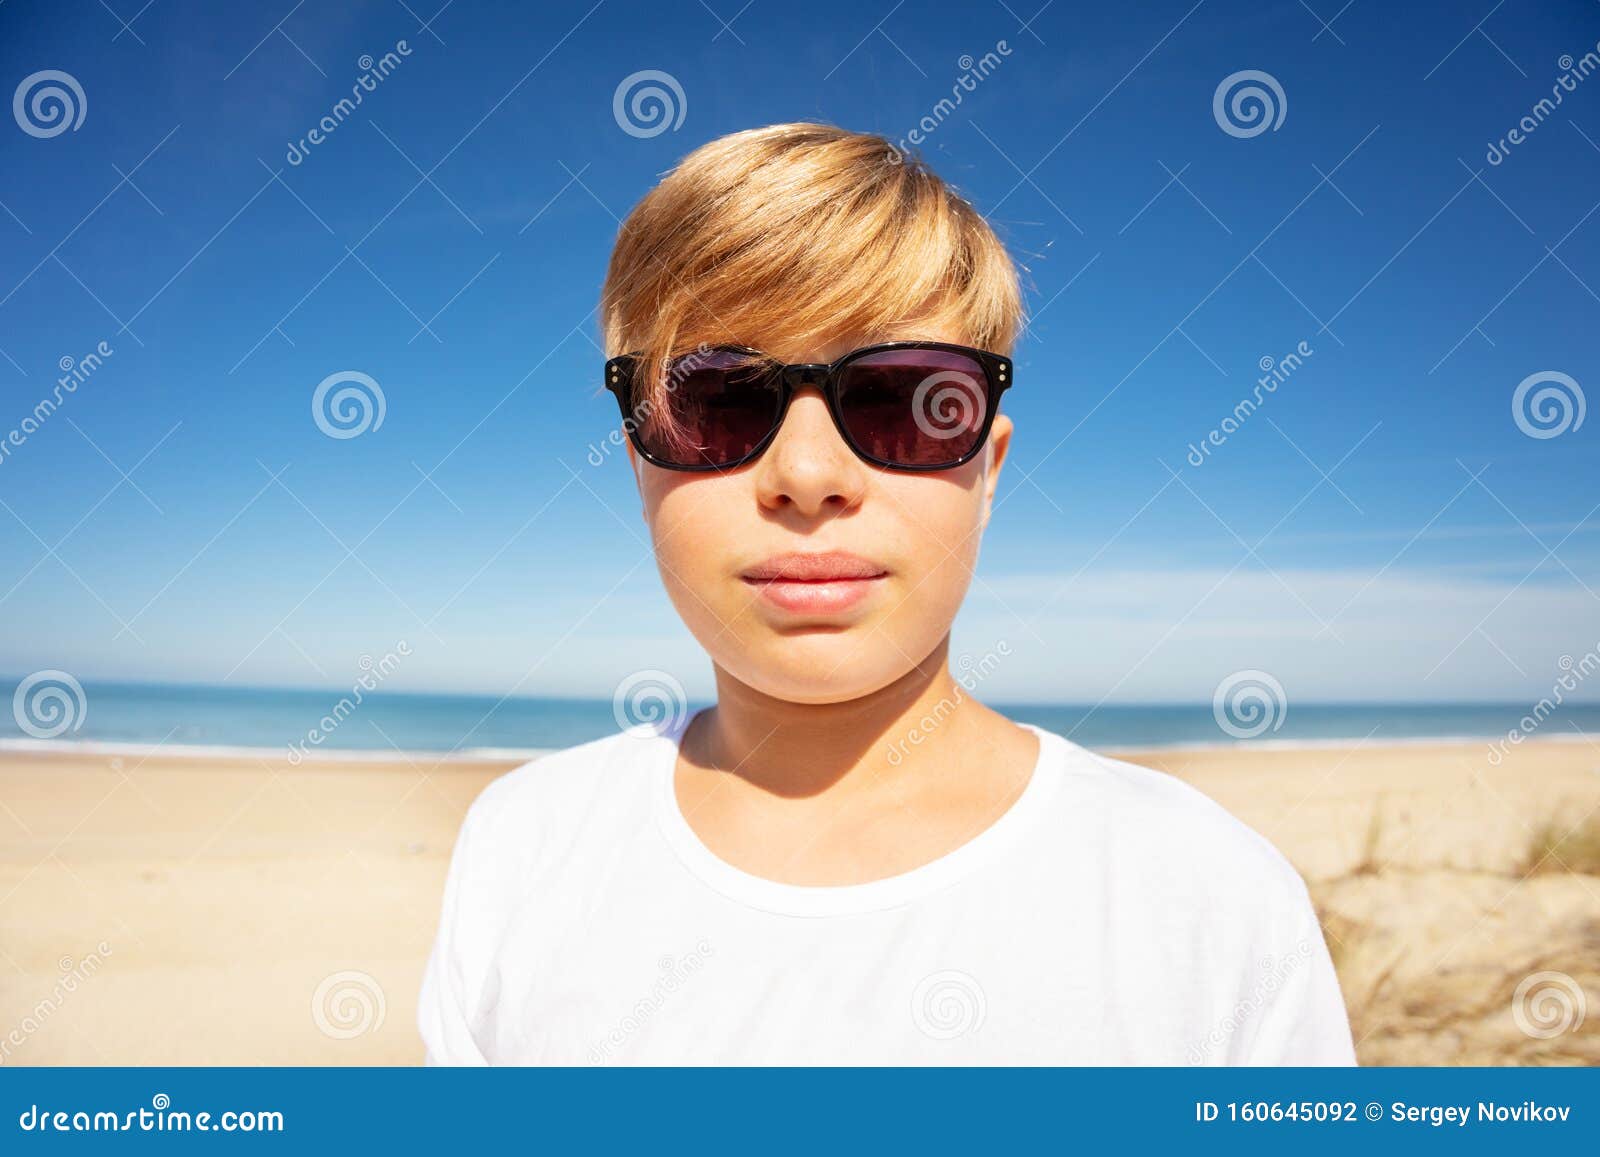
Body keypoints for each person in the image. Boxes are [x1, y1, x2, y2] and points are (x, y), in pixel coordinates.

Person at [417, 122, 1355, 1065]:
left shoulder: (1205, 896)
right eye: (716, 402)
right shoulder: (524, 847)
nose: (810, 472)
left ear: (986, 473)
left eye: (904, 402)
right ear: (639, 466)